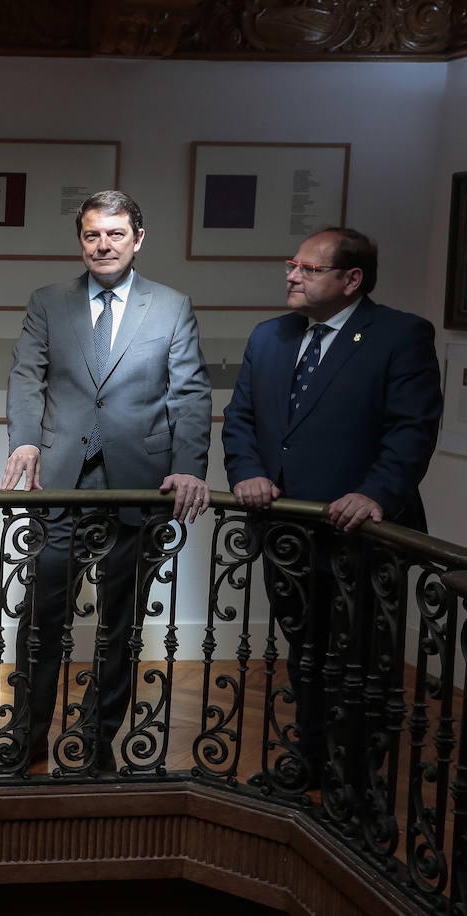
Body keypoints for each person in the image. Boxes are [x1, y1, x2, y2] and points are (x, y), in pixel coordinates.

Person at [0, 190, 212, 772]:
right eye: (92, 235)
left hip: (140, 486)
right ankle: (25, 738)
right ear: (81, 241)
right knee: (41, 620)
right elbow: (26, 376)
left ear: (137, 239)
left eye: (115, 234)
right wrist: (24, 439)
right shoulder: (49, 301)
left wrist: (189, 467)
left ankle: (96, 742)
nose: (103, 245)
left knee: (122, 624)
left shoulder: (171, 306)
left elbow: (191, 394)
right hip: (60, 482)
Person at [222, 227, 441, 788]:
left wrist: (375, 493)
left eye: (308, 269)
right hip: (288, 534)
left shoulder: (400, 335)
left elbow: (411, 430)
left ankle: (356, 787)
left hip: (361, 538)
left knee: (363, 665)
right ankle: (311, 764)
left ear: (351, 279)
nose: (292, 276)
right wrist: (247, 473)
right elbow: (241, 418)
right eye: (292, 264)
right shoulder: (269, 336)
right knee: (307, 657)